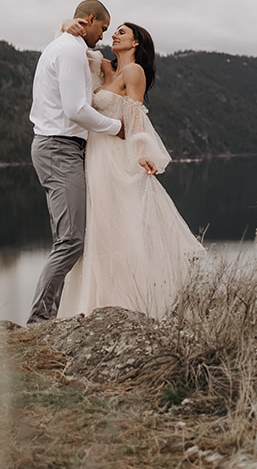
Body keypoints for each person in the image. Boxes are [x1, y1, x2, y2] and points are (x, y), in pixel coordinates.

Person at [57, 20, 205, 320]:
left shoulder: (134, 72)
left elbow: (136, 116)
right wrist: (65, 25)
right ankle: (93, 306)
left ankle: (128, 305)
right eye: (114, 31)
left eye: (122, 32)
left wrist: (141, 152)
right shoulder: (106, 68)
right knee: (98, 226)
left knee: (118, 225)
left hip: (114, 156)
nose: (115, 35)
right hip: (95, 155)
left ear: (136, 42)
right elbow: (67, 45)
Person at [26, 0, 126, 324]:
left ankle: (48, 316)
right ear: (92, 19)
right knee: (71, 241)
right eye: (103, 28)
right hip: (59, 149)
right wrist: (116, 128)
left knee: (67, 239)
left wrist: (63, 25)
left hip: (60, 149)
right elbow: (76, 110)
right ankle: (39, 321)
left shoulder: (65, 45)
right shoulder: (68, 50)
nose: (102, 37)